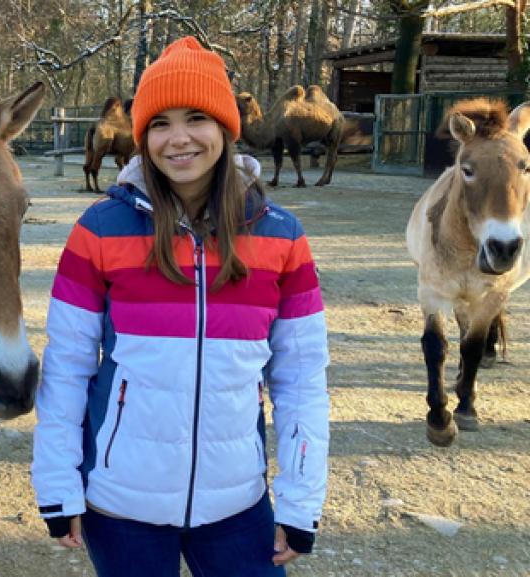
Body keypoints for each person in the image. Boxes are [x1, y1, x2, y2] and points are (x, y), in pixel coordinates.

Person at [31, 36, 330, 577]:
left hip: (238, 505)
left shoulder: (283, 238)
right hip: (120, 504)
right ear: (142, 135)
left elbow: (301, 379)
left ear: (225, 128)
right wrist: (58, 481)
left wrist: (301, 498)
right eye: (160, 123)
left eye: (197, 117)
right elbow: (68, 365)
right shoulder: (97, 231)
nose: (179, 139)